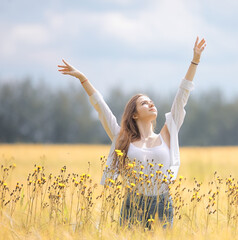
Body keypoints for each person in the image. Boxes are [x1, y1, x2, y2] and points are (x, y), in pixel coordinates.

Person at [58, 36, 206, 229]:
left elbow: (181, 97)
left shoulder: (167, 135)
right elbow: (101, 107)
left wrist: (195, 60)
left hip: (162, 204)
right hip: (132, 204)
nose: (151, 103)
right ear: (134, 115)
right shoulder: (122, 138)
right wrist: (82, 78)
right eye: (144, 103)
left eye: (151, 101)